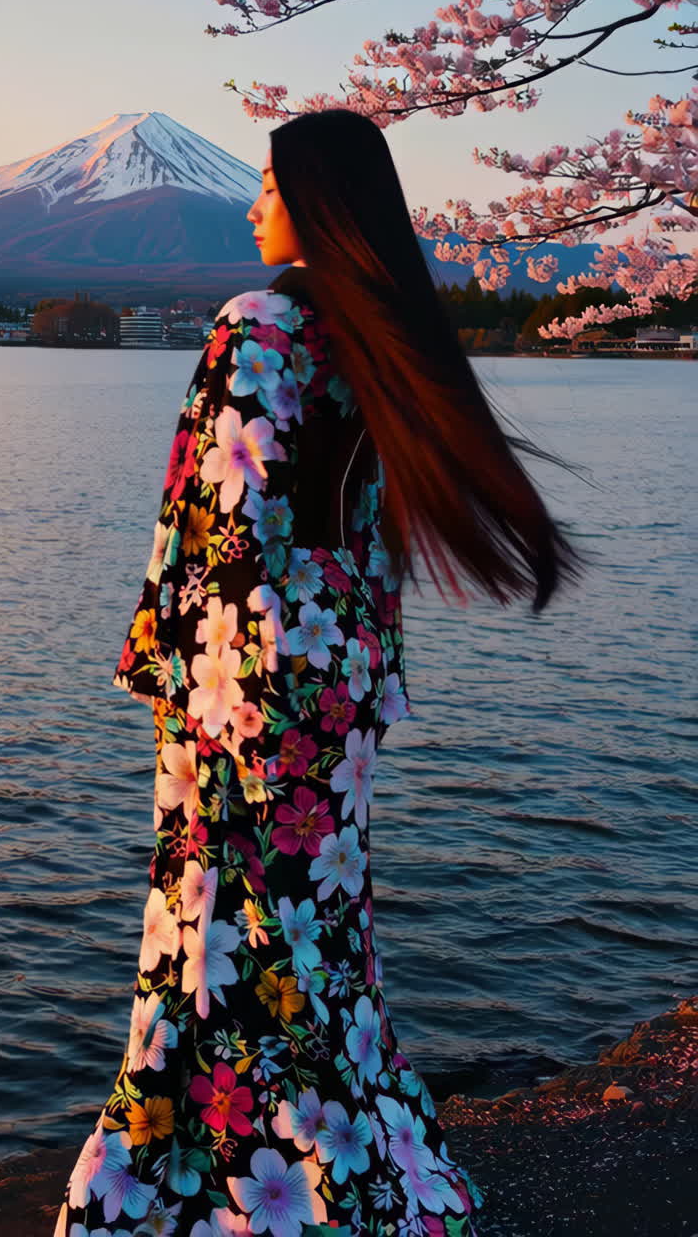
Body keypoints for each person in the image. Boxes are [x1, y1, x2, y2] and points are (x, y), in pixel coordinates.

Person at [54, 109, 582, 1237]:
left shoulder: (257, 323)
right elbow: (367, 535)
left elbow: (217, 521)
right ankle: (363, 1162)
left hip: (241, 683)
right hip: (339, 684)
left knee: (215, 931)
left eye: (267, 184)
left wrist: (176, 671)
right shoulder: (376, 332)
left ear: (317, 201)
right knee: (322, 936)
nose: (252, 205)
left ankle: (210, 1179)